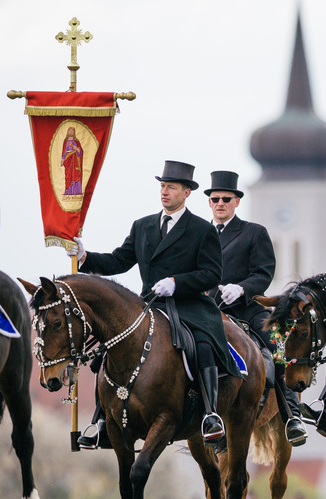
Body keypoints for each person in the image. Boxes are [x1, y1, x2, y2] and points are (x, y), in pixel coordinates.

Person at [69, 160, 240, 446]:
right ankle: (100, 421)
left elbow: (212, 274)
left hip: (188, 305)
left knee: (204, 346)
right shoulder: (143, 226)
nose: (164, 192)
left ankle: (210, 414)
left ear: (186, 193)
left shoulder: (201, 229)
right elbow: (119, 260)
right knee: (106, 349)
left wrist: (177, 283)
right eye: (162, 186)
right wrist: (86, 257)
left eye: (171, 187)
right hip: (149, 303)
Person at [204, 170, 307, 446]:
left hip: (247, 309)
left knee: (277, 345)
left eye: (226, 198)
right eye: (215, 199)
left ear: (237, 201)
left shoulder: (253, 232)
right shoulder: (200, 235)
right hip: (210, 311)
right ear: (209, 203)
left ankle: (292, 415)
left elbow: (264, 272)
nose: (220, 203)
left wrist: (242, 288)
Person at [60, 126, 83, 195]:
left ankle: (76, 192)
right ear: (67, 132)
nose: (71, 132)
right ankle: (68, 192)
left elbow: (80, 151)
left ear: (74, 133)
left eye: (72, 131)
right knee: (68, 176)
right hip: (68, 160)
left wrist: (76, 148)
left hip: (75, 160)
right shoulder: (65, 141)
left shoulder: (76, 141)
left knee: (75, 174)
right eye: (69, 131)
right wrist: (62, 159)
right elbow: (64, 152)